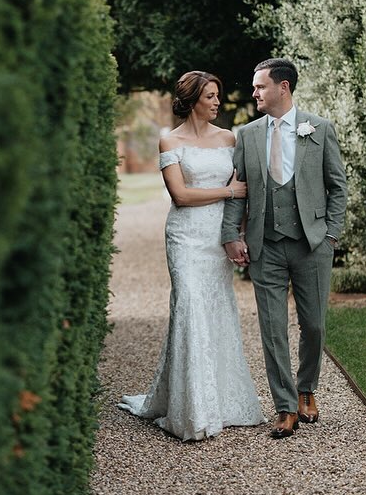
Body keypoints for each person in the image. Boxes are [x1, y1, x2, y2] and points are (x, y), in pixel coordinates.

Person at [119, 71, 265, 441]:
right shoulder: (169, 141)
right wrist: (228, 192)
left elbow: (242, 192)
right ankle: (191, 408)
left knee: (217, 309)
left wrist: (237, 233)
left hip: (217, 238)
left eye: (218, 95)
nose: (218, 102)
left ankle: (222, 402)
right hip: (185, 238)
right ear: (193, 100)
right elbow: (181, 196)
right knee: (189, 307)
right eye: (211, 96)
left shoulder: (229, 138)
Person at [221, 58, 347, 439]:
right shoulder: (247, 135)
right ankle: (285, 406)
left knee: (314, 325)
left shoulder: (320, 129)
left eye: (260, 86)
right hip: (265, 245)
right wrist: (232, 234)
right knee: (272, 328)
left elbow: (337, 187)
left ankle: (307, 388)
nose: (255, 92)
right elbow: (237, 190)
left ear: (283, 88)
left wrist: (331, 236)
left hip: (312, 244)